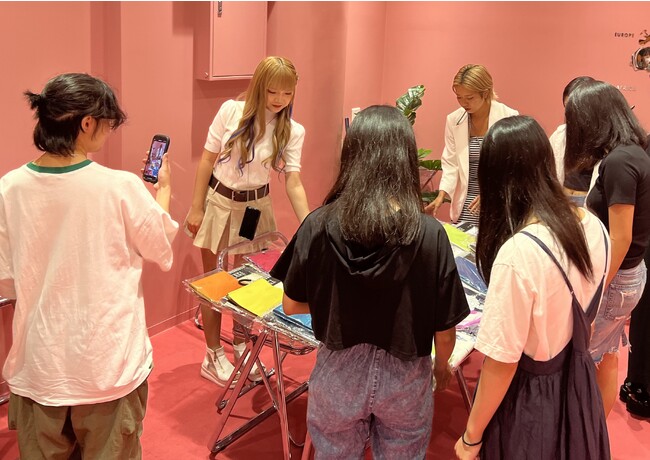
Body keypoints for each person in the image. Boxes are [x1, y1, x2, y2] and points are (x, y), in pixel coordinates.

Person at [270, 105, 470, 459]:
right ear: (405, 159)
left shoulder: (318, 223)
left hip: (337, 370)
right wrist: (441, 367)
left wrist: (340, 303)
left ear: (352, 155)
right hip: (405, 375)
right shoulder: (429, 234)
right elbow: (444, 328)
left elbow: (291, 303)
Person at [0, 73, 178, 458]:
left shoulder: (9, 188)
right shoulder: (120, 187)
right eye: (108, 124)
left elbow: (7, 282)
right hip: (106, 369)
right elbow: (159, 246)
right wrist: (163, 189)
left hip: (39, 369)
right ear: (86, 123)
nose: (108, 132)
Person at [454, 115, 611, 460]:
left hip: (529, 404)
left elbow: (501, 363)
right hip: (580, 386)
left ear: (495, 179)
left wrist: (471, 437)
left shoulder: (519, 253)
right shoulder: (596, 227)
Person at [184, 56, 309, 387]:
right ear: (259, 87)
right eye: (272, 91)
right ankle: (213, 354)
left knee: (249, 282)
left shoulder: (293, 130)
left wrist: (310, 223)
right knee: (213, 282)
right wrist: (196, 208)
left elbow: (293, 181)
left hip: (255, 209)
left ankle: (241, 345)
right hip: (219, 202)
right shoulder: (230, 111)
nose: (279, 99)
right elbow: (207, 160)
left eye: (287, 93)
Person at [565, 80, 650, 417]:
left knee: (585, 357)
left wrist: (596, 286)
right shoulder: (631, 153)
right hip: (629, 274)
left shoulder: (619, 162)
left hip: (616, 278)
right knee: (608, 352)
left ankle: (585, 430)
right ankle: (595, 429)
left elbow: (621, 237)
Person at [426, 64, 518, 225]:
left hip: (497, 199)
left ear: (486, 93)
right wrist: (441, 195)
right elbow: (451, 162)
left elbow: (512, 166)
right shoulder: (454, 120)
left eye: (469, 98)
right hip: (466, 202)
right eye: (459, 97)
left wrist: (490, 192)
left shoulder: (508, 117)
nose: (464, 103)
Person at [548, 76, 595, 204]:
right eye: (566, 107)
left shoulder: (602, 138)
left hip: (589, 203)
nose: (569, 114)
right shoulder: (560, 135)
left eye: (574, 108)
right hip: (563, 199)